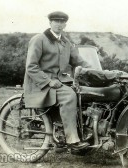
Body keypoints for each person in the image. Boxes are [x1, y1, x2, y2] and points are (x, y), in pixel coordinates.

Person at [23, 11, 91, 149]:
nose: (59, 25)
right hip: (41, 84)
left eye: (62, 22)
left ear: (65, 24)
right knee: (69, 96)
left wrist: (93, 71)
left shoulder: (66, 42)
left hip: (59, 82)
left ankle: (80, 132)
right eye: (56, 21)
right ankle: (72, 140)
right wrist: (48, 81)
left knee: (83, 94)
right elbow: (31, 66)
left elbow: (79, 62)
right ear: (50, 23)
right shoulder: (39, 39)